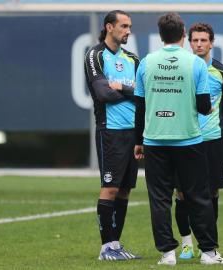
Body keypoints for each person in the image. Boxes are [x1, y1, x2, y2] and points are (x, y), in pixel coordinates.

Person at [134, 13, 223, 266]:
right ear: (184, 34)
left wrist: (137, 140)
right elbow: (203, 106)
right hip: (188, 140)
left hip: (154, 140)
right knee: (199, 196)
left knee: (160, 199)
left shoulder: (146, 62)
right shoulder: (196, 63)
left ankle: (167, 254)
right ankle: (208, 253)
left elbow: (140, 106)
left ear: (160, 34)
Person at [174, 22, 223, 260]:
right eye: (195, 40)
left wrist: (212, 122)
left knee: (212, 193)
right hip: (185, 139)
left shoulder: (222, 72)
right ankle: (186, 242)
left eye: (203, 40)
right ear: (189, 42)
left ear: (212, 42)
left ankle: (207, 245)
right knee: (181, 193)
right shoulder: (183, 68)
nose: (199, 44)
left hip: (212, 140)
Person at [84, 10, 141, 261]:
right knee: (110, 188)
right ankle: (106, 247)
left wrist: (122, 87)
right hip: (110, 131)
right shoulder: (95, 55)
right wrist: (131, 92)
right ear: (109, 27)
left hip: (132, 131)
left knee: (125, 190)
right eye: (124, 26)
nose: (128, 31)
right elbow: (103, 94)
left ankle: (116, 245)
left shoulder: (133, 59)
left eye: (129, 26)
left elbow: (143, 96)